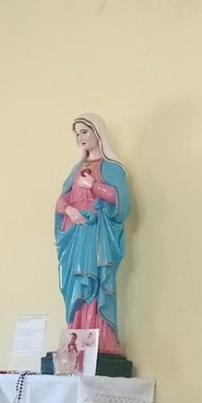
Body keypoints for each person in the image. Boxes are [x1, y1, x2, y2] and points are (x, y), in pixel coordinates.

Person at [55, 114, 130, 356]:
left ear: (98, 133)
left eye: (84, 131)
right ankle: (76, 340)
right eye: (77, 133)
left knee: (98, 285)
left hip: (97, 237)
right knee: (77, 286)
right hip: (77, 235)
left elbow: (121, 202)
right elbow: (61, 200)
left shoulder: (111, 168)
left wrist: (94, 187)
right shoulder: (76, 170)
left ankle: (102, 341)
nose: (80, 137)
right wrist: (69, 209)